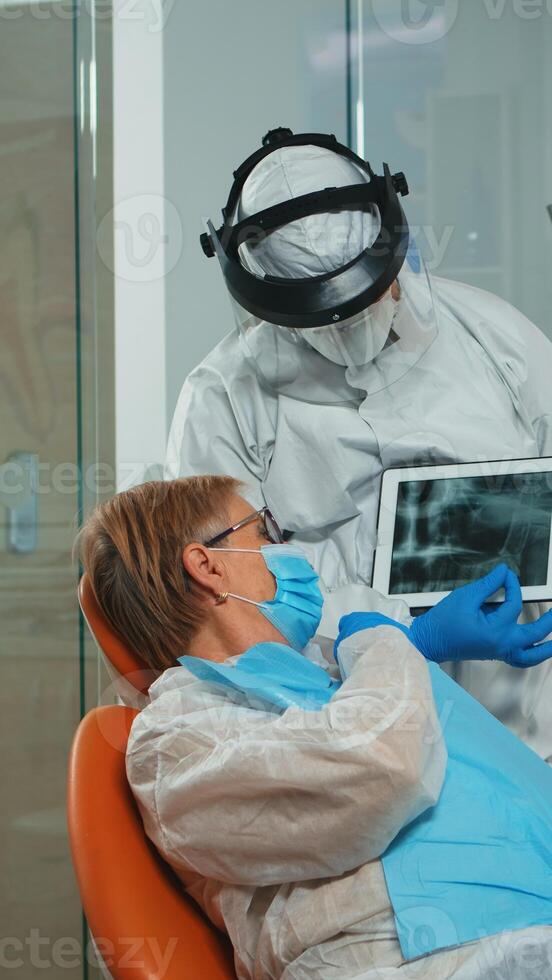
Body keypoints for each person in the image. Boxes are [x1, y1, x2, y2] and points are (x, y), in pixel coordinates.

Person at [166, 128, 552, 759]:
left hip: (529, 722)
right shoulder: (222, 402)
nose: (348, 331)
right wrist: (407, 639)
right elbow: (225, 598)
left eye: (364, 299)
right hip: (352, 740)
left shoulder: (493, 337)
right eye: (321, 317)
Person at [76, 477, 552, 980]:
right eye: (265, 532)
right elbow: (383, 770)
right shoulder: (174, 739)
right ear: (207, 566)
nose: (287, 551)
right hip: (431, 961)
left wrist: (415, 644)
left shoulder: (320, 677)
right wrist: (389, 646)